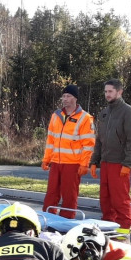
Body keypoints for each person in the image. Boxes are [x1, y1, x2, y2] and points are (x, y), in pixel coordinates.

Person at [89, 79, 131, 243]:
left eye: (110, 91)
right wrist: (94, 161)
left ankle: (124, 234)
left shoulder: (128, 112)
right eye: (105, 92)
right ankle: (108, 231)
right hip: (105, 163)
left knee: (120, 200)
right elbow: (99, 140)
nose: (107, 94)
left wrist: (128, 163)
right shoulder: (104, 113)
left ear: (119, 92)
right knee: (105, 200)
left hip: (119, 164)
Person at [41, 84, 95, 219]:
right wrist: (46, 159)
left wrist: (84, 164)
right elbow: (50, 141)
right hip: (56, 162)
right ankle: (47, 219)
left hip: (73, 164)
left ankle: (66, 221)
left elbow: (88, 144)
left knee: (69, 195)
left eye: (68, 96)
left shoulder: (85, 118)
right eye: (64, 96)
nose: (65, 99)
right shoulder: (56, 115)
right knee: (51, 193)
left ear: (75, 98)